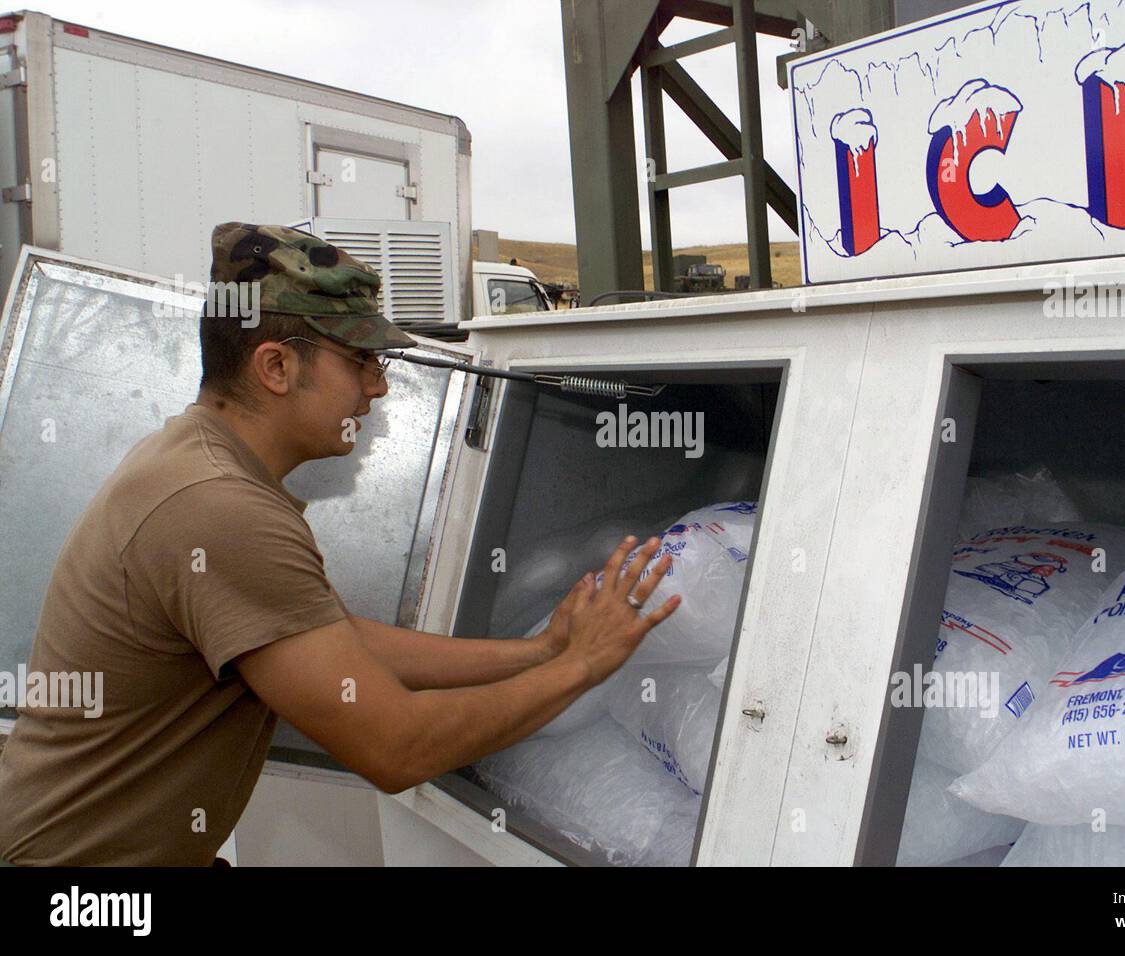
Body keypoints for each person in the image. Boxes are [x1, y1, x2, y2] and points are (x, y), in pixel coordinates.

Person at [0, 223, 678, 866]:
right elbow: (395, 746)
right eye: (361, 360)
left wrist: (538, 651)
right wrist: (582, 668)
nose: (378, 386)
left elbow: (331, 639)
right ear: (275, 367)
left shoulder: (199, 460)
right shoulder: (219, 510)